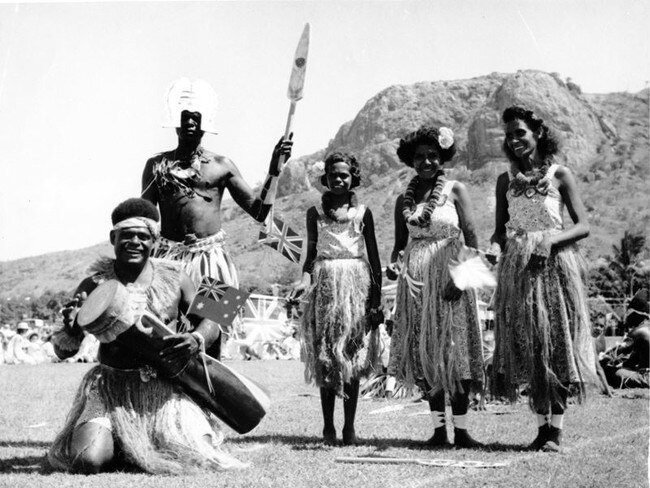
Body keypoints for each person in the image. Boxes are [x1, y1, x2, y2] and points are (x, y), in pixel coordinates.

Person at [49, 198, 243, 474]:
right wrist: (70, 330)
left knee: (201, 456)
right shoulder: (92, 283)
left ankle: (142, 442)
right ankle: (125, 444)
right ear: (113, 238)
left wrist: (196, 338)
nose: (135, 242)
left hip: (167, 389)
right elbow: (63, 352)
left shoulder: (176, 273)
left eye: (144, 236)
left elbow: (221, 309)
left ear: (155, 241)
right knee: (87, 461)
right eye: (127, 235)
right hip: (110, 389)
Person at [141, 79, 292, 359]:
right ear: (174, 121)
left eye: (195, 118)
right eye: (184, 117)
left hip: (213, 261)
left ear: (205, 124)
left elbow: (259, 211)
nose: (189, 123)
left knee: (210, 337)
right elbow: (146, 218)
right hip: (169, 262)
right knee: (167, 332)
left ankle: (211, 399)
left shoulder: (222, 165)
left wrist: (274, 170)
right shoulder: (156, 166)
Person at [488, 106, 596, 452]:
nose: (514, 140)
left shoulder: (559, 174)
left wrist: (549, 240)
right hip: (518, 269)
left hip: (555, 266)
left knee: (558, 343)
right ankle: (540, 429)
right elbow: (499, 231)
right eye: (509, 135)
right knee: (531, 347)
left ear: (537, 134)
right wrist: (493, 248)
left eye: (520, 132)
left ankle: (556, 430)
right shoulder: (505, 180)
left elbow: (582, 225)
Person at [385, 126, 484, 448]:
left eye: (432, 156)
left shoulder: (456, 190)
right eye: (419, 157)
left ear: (442, 157)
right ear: (410, 161)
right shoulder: (405, 198)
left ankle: (463, 431)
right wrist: (393, 262)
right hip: (415, 286)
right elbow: (400, 244)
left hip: (451, 279)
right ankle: (439, 431)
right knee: (427, 352)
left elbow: (473, 239)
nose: (426, 161)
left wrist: (462, 279)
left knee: (455, 352)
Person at [292, 152, 383, 446]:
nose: (338, 179)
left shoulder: (363, 212)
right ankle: (328, 427)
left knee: (352, 358)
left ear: (353, 177)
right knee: (327, 358)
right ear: (325, 178)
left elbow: (375, 259)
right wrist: (304, 282)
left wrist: (376, 300)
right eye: (333, 175)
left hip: (355, 287)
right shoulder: (314, 213)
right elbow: (309, 257)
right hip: (326, 287)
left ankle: (350, 427)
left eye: (344, 175)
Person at [600, 289, 650, 389]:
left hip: (645, 377)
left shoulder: (638, 331)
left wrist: (600, 357)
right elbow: (633, 361)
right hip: (645, 373)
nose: (627, 317)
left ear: (636, 314)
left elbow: (614, 354)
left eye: (629, 313)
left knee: (606, 370)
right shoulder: (646, 328)